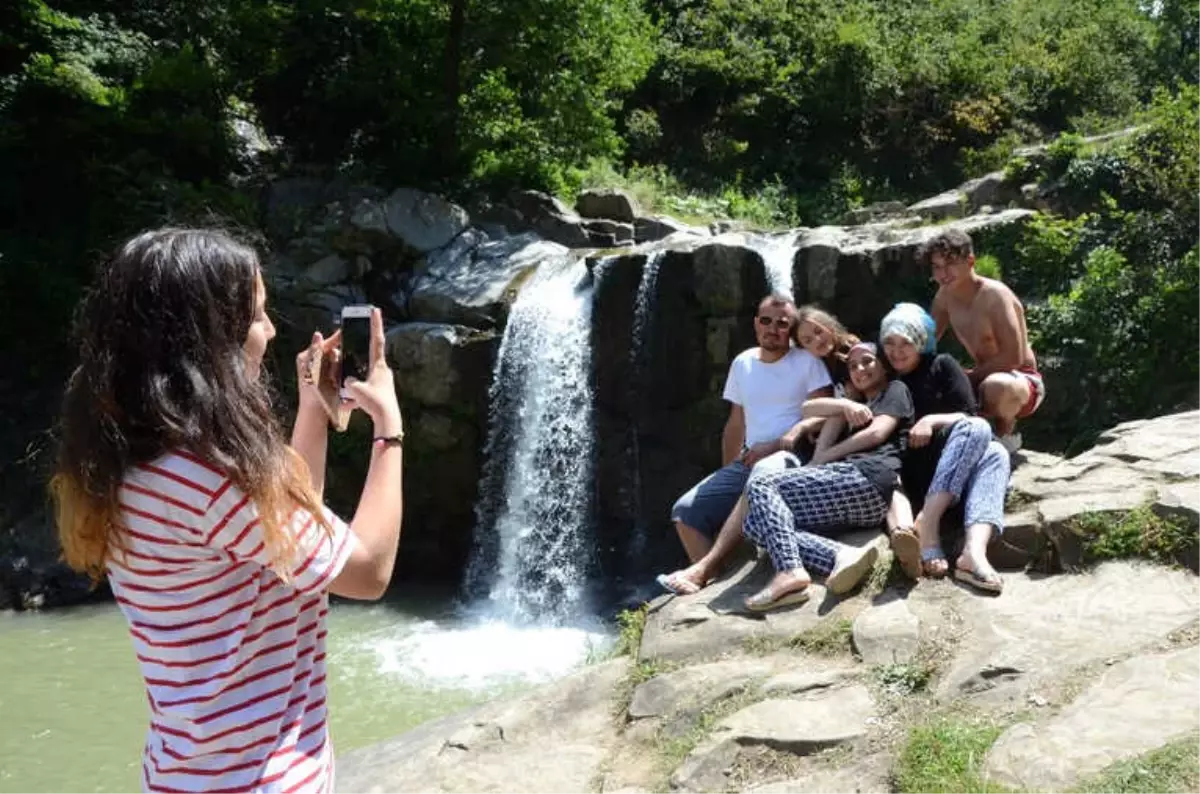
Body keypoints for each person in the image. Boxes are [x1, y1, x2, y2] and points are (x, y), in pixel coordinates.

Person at [50, 228, 405, 792]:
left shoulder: (133, 456)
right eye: (258, 315)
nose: (268, 330)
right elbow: (368, 571)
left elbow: (284, 540)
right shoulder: (209, 476)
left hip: (187, 775)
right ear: (211, 337)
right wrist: (389, 429)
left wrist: (312, 409)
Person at [656, 303, 853, 595]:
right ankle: (708, 584)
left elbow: (820, 415)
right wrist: (727, 476)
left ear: (791, 330)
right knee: (685, 512)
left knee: (761, 471)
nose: (773, 328)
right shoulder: (742, 363)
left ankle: (701, 571)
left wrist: (780, 442)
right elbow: (736, 423)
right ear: (755, 323)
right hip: (748, 459)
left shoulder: (807, 361)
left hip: (792, 456)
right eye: (766, 320)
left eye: (782, 323)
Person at [741, 342, 915, 610]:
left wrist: (825, 457)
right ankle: (840, 555)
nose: (860, 369)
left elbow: (876, 433)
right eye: (853, 366)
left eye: (868, 361)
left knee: (762, 483)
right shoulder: (851, 406)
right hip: (851, 497)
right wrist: (845, 403)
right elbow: (808, 409)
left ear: (884, 364)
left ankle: (789, 570)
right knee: (754, 524)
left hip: (866, 478)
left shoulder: (894, 390)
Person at [879, 303, 1011, 593]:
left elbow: (969, 415)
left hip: (953, 465)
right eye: (889, 342)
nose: (896, 351)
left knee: (994, 449)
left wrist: (930, 420)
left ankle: (972, 553)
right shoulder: (886, 379)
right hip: (915, 470)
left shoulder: (943, 365)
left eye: (905, 343)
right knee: (982, 434)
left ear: (921, 343)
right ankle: (928, 526)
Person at [923, 228, 1044, 442]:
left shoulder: (994, 295)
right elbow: (925, 342)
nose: (943, 273)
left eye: (950, 264)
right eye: (937, 267)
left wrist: (967, 378)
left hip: (1020, 381)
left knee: (996, 386)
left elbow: (1012, 358)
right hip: (980, 376)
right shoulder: (944, 296)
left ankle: (1007, 433)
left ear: (970, 261)